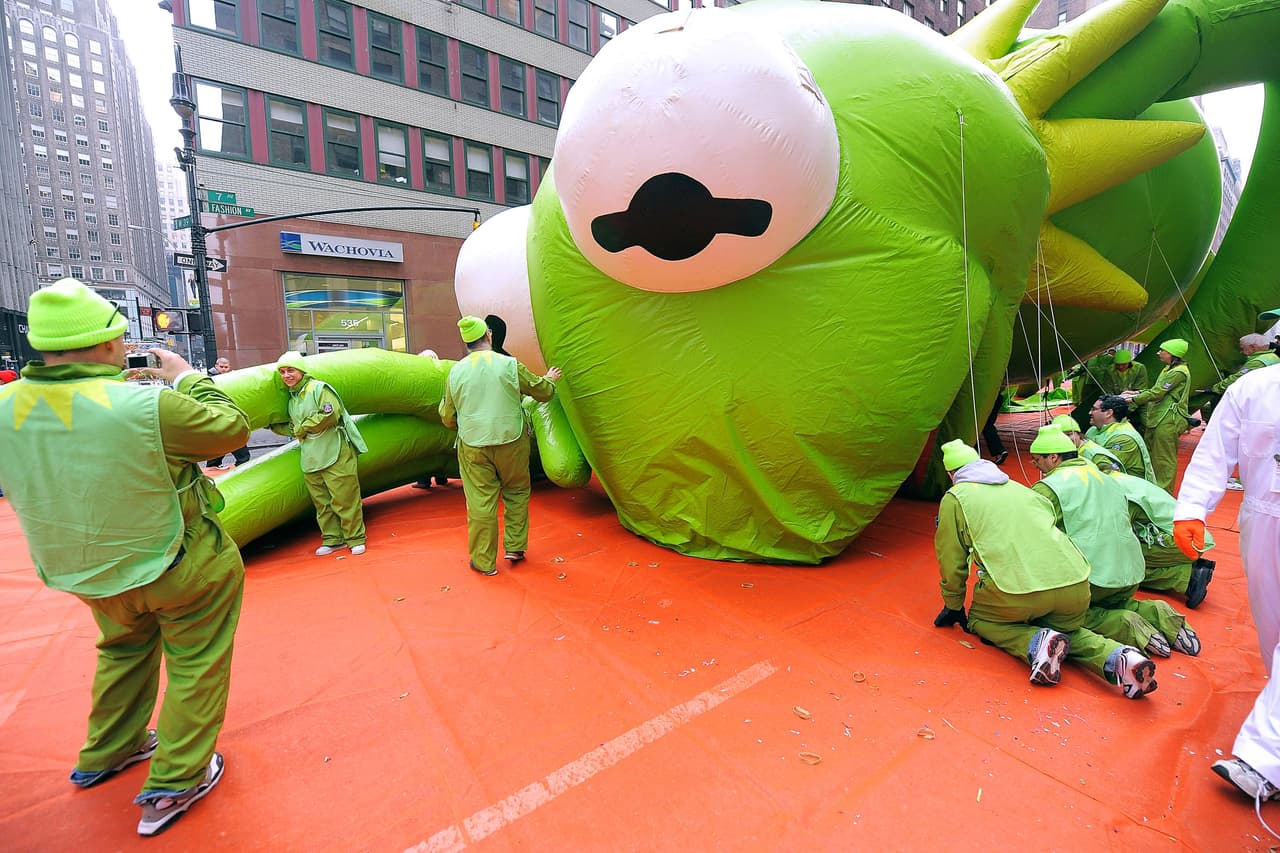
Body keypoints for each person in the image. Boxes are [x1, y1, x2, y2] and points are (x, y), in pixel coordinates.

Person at [0, 278, 249, 836]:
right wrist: (187, 376)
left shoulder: (5, 406)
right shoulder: (145, 404)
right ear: (112, 344)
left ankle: (109, 750)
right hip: (178, 560)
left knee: (122, 649)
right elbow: (229, 430)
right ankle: (177, 779)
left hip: (87, 570)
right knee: (196, 658)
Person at [932, 439, 1157, 697]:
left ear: (952, 474)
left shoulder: (956, 498)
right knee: (1069, 632)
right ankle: (1119, 657)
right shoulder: (1023, 489)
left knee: (983, 620)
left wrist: (953, 604)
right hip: (1075, 582)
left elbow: (952, 557)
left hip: (1017, 590)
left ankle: (1035, 643)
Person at [1174, 367, 1280, 804]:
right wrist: (1192, 507)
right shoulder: (1254, 388)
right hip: (1264, 520)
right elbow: (1215, 451)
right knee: (1272, 628)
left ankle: (1263, 757)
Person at [1029, 425, 1198, 660]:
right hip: (1131, 572)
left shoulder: (1049, 487)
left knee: (1062, 616)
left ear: (1054, 457)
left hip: (1092, 578)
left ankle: (1126, 624)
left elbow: (1033, 533)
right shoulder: (1104, 477)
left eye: (1037, 460)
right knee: (1118, 601)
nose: (1034, 466)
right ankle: (1158, 612)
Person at [438, 316, 561, 576]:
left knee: (481, 503)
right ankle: (515, 547)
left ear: (467, 342)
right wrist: (549, 378)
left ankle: (484, 562)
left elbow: (448, 417)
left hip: (473, 445)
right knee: (516, 492)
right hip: (511, 440)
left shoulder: (455, 371)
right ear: (489, 336)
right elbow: (542, 392)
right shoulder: (509, 365)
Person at [271, 352, 369, 556]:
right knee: (322, 501)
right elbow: (293, 427)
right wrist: (275, 426)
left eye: (290, 370)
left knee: (345, 497)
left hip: (335, 451)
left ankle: (355, 538)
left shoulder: (318, 388)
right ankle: (333, 539)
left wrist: (303, 427)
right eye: (282, 372)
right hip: (311, 456)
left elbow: (330, 413)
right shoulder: (292, 400)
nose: (286, 375)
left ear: (301, 370)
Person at [1101, 467, 1216, 609]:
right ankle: (1191, 572)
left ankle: (1188, 576)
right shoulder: (1118, 479)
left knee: (1114, 564)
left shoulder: (1115, 493)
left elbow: (1114, 539)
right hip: (1190, 537)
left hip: (1184, 540)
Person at [1123, 338, 1192, 493]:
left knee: (1163, 458)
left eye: (1163, 350)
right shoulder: (1168, 369)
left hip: (1168, 418)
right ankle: (1152, 488)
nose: (1158, 353)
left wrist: (1133, 399)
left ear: (1173, 354)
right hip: (1158, 417)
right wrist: (1137, 392)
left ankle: (1163, 493)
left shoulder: (1178, 372)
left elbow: (1158, 393)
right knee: (1152, 453)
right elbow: (1158, 389)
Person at [1086, 395, 1154, 482]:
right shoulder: (1093, 429)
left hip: (1130, 488)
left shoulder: (1124, 438)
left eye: (1094, 409)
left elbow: (1108, 467)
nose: (1089, 412)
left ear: (1108, 413)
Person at [411, 348, 452, 490]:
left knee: (425, 452)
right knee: (441, 450)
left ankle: (424, 480)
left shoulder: (421, 377)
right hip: (441, 418)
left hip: (425, 421)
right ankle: (441, 477)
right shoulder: (442, 375)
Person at [204, 357, 251, 469]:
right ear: (216, 366)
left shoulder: (222, 379)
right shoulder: (211, 379)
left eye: (226, 367)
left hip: (222, 421)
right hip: (225, 420)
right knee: (242, 455)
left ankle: (212, 473)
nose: (224, 369)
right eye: (221, 367)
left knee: (218, 453)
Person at [1052, 413, 1124, 474]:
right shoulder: (1073, 449)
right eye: (1061, 436)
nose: (1066, 439)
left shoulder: (1092, 453)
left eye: (1069, 434)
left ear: (1078, 433)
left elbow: (1114, 472)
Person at [980, 396, 1008, 465]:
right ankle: (999, 451)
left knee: (975, 426)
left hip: (983, 399)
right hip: (996, 397)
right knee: (988, 426)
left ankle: (974, 454)